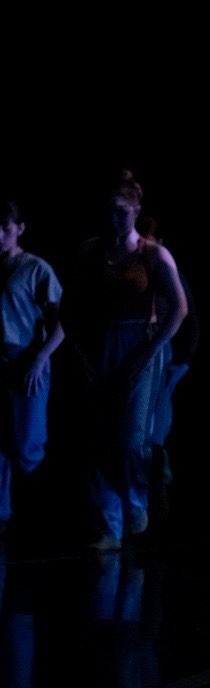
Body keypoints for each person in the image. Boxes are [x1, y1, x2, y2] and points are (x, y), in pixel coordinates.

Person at [61, 169, 189, 551]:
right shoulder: (91, 251)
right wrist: (79, 353)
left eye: (122, 212)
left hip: (138, 342)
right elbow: (68, 307)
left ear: (135, 211)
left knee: (131, 438)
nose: (115, 220)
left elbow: (179, 309)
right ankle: (107, 522)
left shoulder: (152, 253)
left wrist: (149, 353)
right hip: (100, 339)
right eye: (109, 212)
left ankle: (135, 501)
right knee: (99, 436)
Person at [0, 200, 65, 537]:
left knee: (27, 445)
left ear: (20, 228)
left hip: (25, 361)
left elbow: (62, 322)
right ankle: (3, 516)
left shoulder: (36, 269)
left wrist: (39, 359)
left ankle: (39, 519)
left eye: (5, 228)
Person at [135, 214, 200, 524]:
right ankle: (139, 501)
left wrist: (181, 364)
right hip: (139, 350)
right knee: (136, 431)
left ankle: (156, 499)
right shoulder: (133, 269)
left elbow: (191, 322)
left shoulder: (167, 271)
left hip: (164, 357)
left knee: (155, 432)